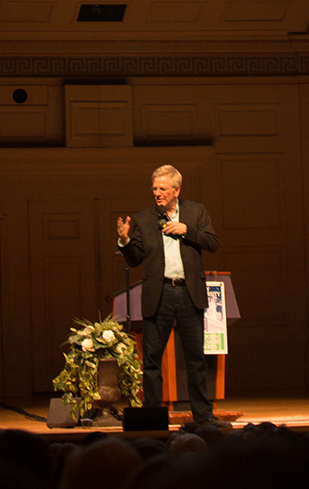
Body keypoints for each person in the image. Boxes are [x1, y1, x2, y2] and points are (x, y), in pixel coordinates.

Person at [116, 165, 220, 426]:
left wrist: (186, 230)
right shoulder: (143, 219)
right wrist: (126, 241)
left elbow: (213, 242)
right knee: (151, 361)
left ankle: (203, 417)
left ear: (177, 190)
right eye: (154, 189)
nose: (157, 193)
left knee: (195, 359)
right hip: (159, 293)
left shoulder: (196, 211)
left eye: (163, 189)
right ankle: (152, 417)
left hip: (188, 293)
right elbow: (135, 259)